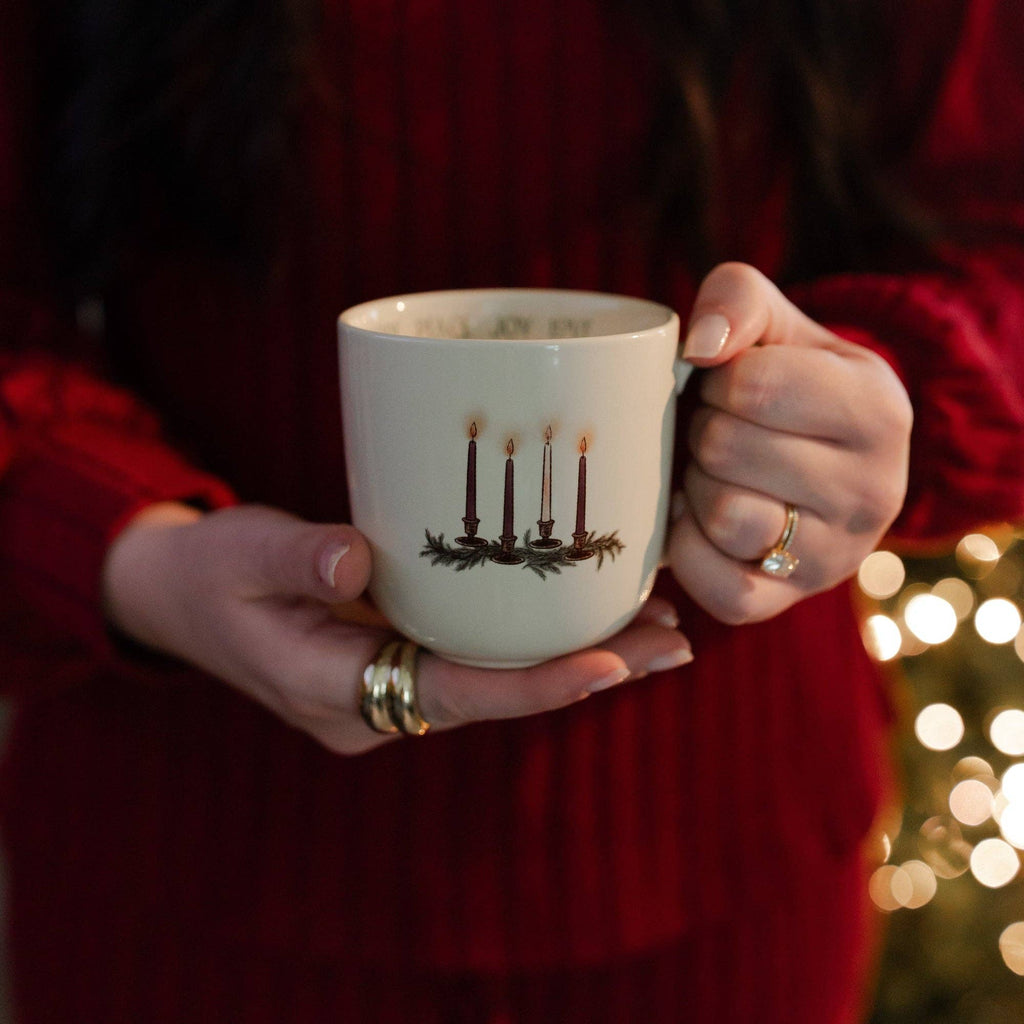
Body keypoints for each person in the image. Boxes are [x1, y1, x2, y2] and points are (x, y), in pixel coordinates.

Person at [0, 0, 1021, 1020]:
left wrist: (874, 403)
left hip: (718, 838)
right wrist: (128, 547)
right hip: (182, 832)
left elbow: (1001, 239)